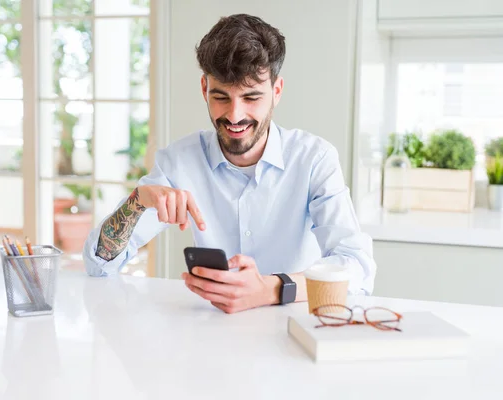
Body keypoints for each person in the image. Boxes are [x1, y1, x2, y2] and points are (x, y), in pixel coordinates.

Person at [83, 13, 376, 313]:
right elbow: (98, 265)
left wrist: (273, 288)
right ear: (204, 89)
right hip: (211, 339)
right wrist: (136, 202)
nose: (234, 116)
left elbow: (358, 268)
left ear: (276, 92)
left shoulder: (314, 159)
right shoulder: (179, 162)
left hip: (293, 336)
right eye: (221, 97)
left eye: (251, 98)